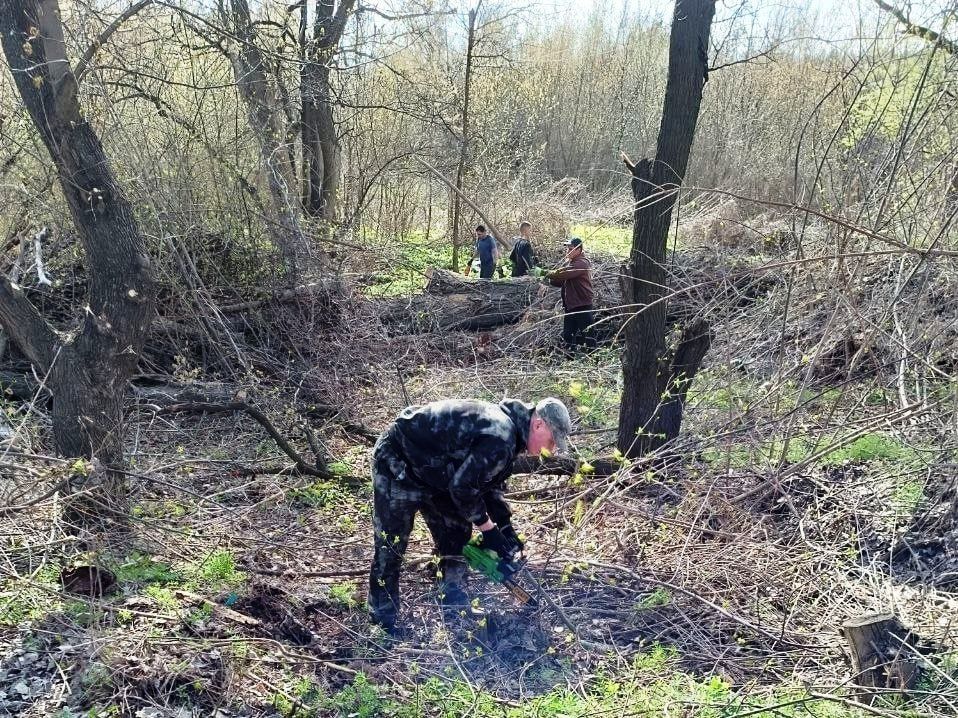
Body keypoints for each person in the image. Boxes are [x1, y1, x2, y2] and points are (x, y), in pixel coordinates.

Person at [368, 396, 572, 632]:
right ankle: (382, 620)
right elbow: (463, 488)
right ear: (538, 425)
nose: (551, 449)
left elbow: (488, 484)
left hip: (439, 473)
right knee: (391, 544)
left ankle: (453, 603)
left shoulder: (511, 436)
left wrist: (505, 526)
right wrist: (488, 529)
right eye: (552, 440)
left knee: (456, 533)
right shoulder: (501, 436)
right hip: (399, 462)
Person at [545, 237, 595, 349]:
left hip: (582, 305)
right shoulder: (572, 263)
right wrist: (549, 280)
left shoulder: (582, 263)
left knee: (588, 336)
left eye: (570, 249)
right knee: (568, 335)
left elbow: (564, 274)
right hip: (571, 305)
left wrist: (546, 273)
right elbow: (561, 280)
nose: (567, 251)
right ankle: (569, 357)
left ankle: (594, 358)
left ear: (579, 250)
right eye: (567, 249)